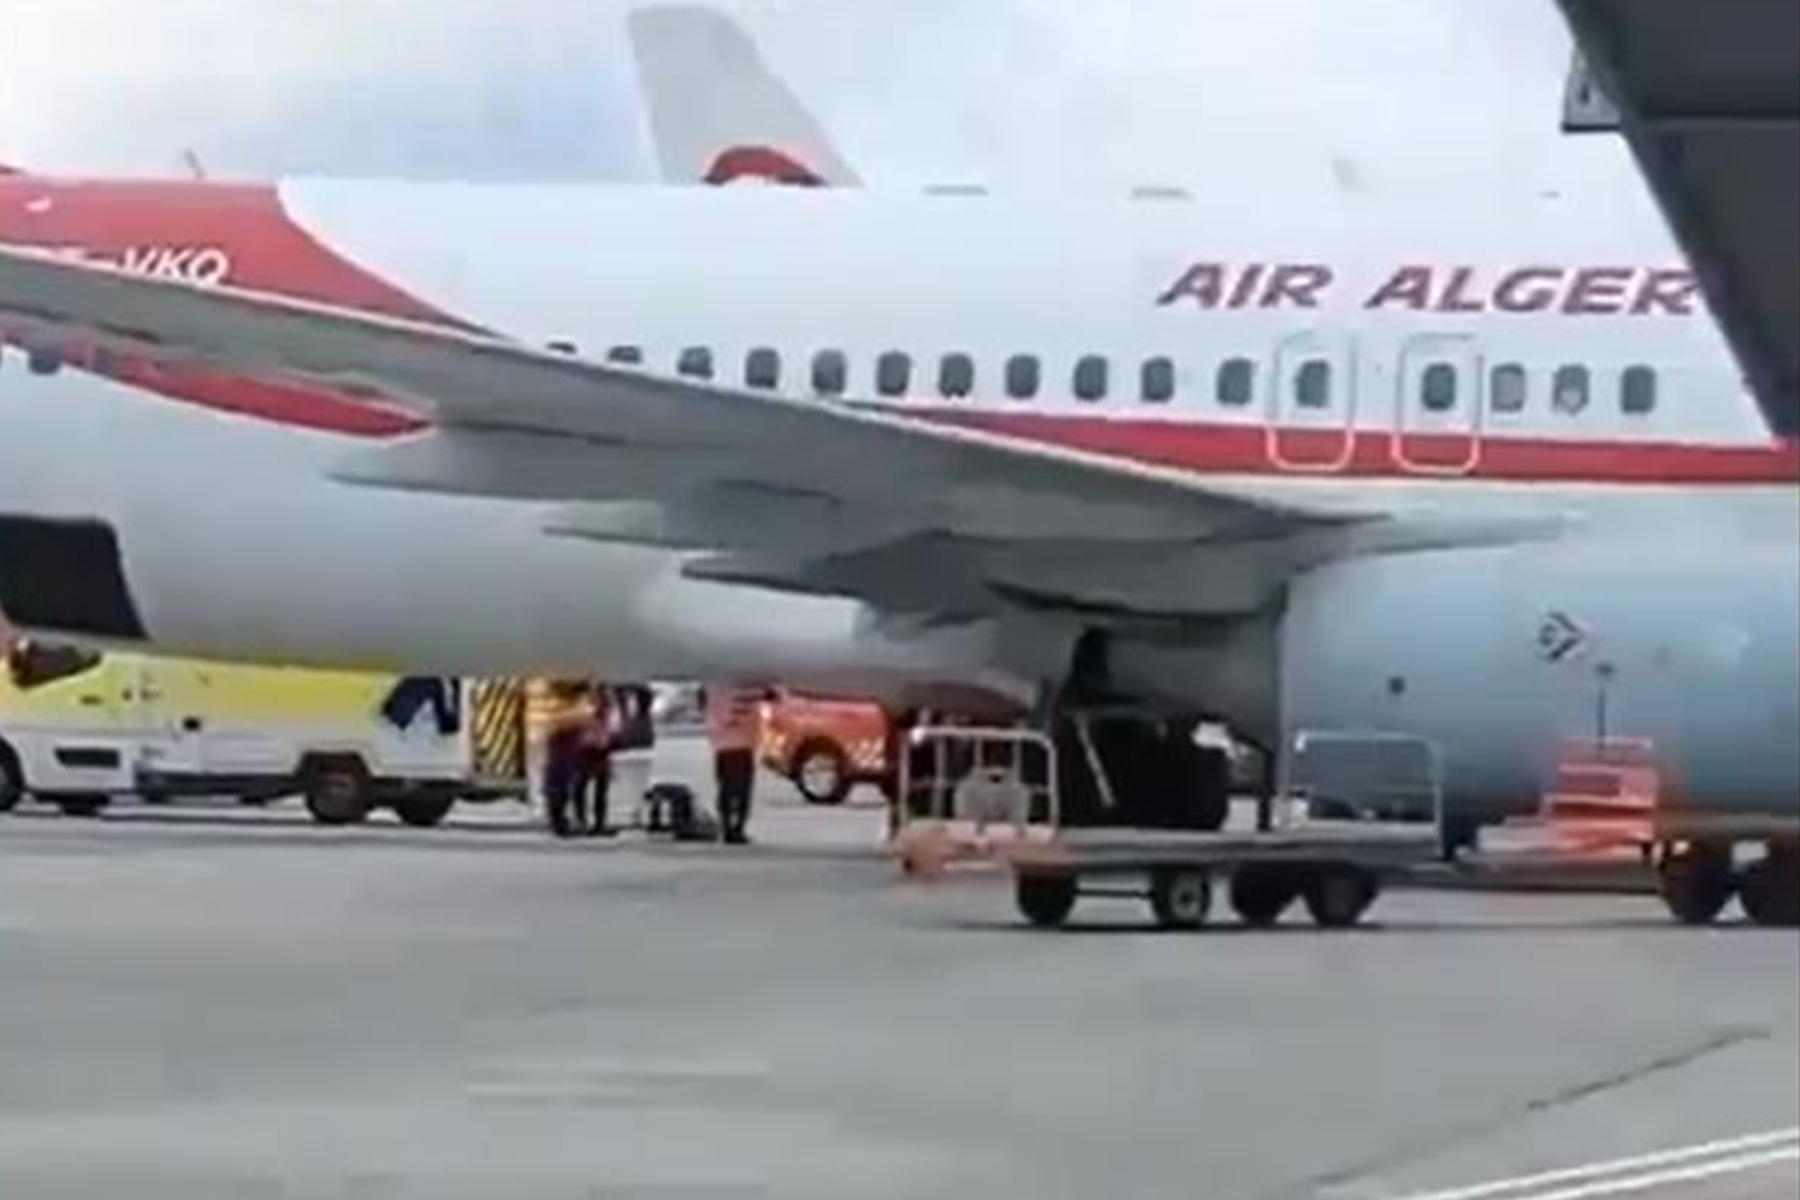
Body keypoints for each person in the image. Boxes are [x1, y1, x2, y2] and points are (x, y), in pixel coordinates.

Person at [542, 679, 612, 839]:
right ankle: (569, 823)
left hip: (577, 756)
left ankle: (577, 822)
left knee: (574, 789)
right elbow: (569, 726)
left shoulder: (582, 710)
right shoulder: (574, 711)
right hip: (577, 756)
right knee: (569, 789)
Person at [705, 683, 764, 845]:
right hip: (740, 745)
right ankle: (736, 829)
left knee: (726, 789)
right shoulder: (746, 687)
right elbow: (774, 694)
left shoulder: (715, 688)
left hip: (722, 746)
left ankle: (728, 827)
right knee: (741, 790)